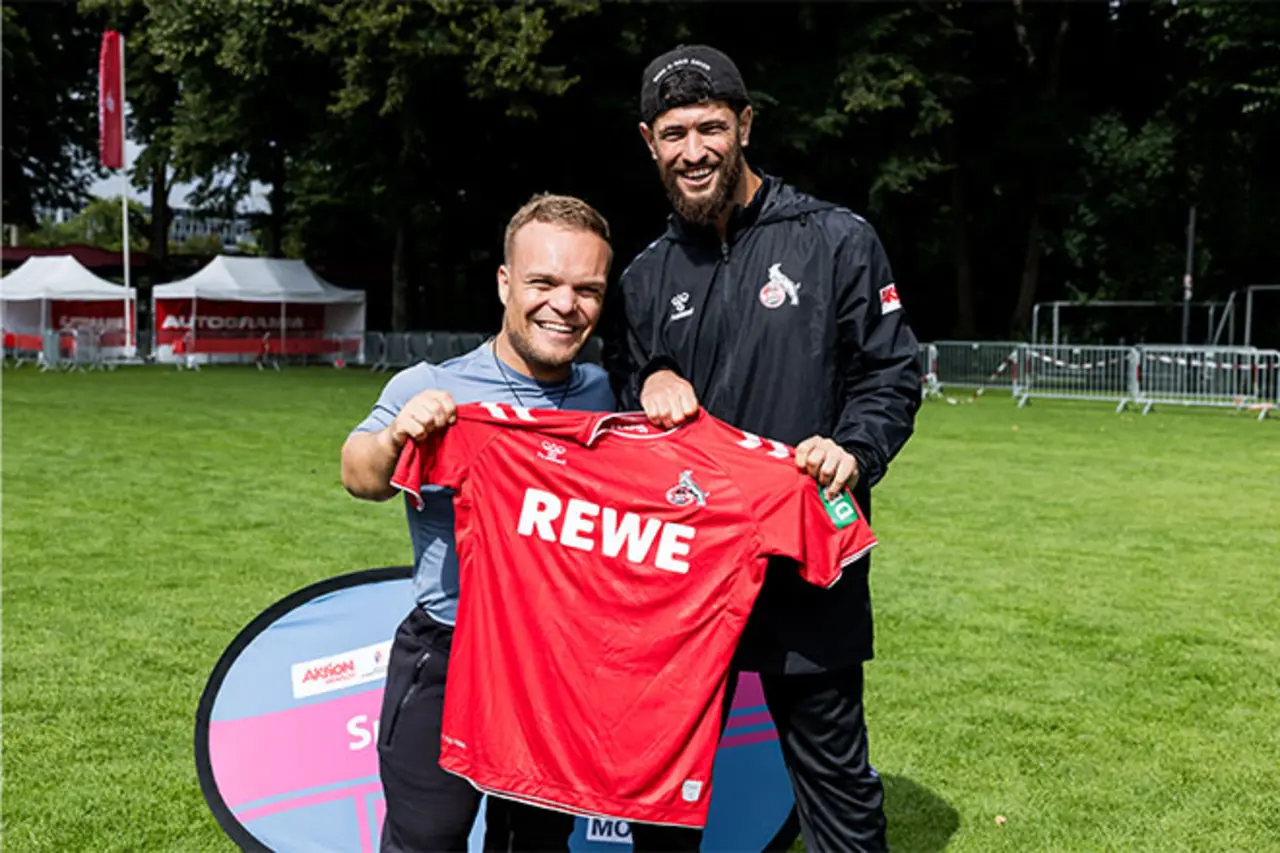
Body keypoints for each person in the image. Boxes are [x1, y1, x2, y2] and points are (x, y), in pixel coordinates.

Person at [603, 45, 923, 852]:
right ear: (650, 141)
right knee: (661, 797)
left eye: (712, 126)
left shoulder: (837, 238)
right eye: (674, 133)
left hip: (805, 561)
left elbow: (891, 370)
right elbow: (618, 396)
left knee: (836, 784)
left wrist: (855, 448)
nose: (695, 150)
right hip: (680, 580)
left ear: (746, 125)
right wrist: (650, 376)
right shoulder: (643, 277)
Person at [342, 193, 617, 853]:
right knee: (425, 840)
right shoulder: (432, 385)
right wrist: (399, 438)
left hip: (554, 661)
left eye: (587, 289)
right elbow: (358, 473)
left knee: (535, 843)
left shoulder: (607, 394)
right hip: (448, 652)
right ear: (504, 283)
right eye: (543, 282)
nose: (564, 303)